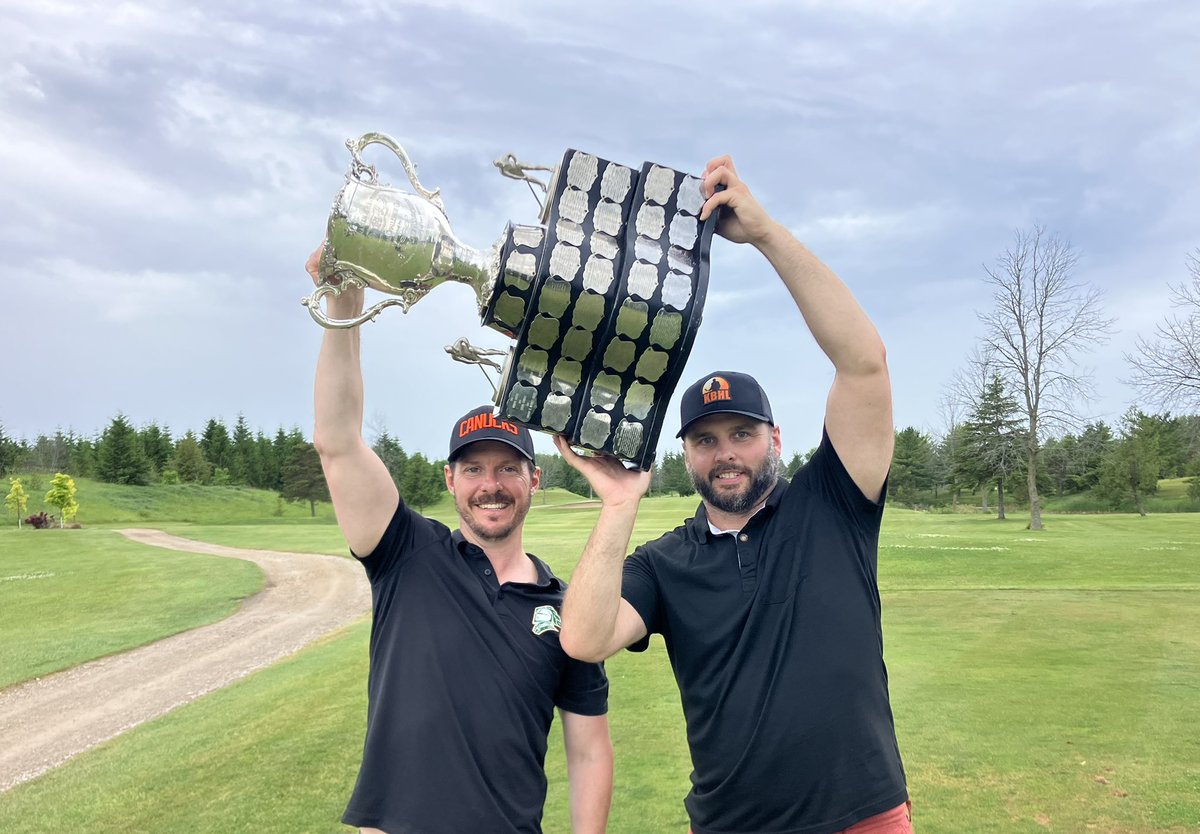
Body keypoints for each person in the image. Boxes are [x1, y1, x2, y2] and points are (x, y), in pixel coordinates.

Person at [554, 155, 910, 834]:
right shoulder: (665, 564)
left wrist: (768, 235)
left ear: (774, 436)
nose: (726, 455)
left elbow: (863, 362)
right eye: (706, 439)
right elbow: (585, 636)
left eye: (741, 434)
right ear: (685, 451)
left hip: (861, 819)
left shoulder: (833, 507)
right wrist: (619, 503)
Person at [306, 247, 613, 834]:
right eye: (473, 470)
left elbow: (589, 752)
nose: (489, 486)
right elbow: (338, 441)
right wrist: (345, 302)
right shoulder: (405, 554)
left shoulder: (570, 612)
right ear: (450, 480)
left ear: (534, 479)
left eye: (507, 469)